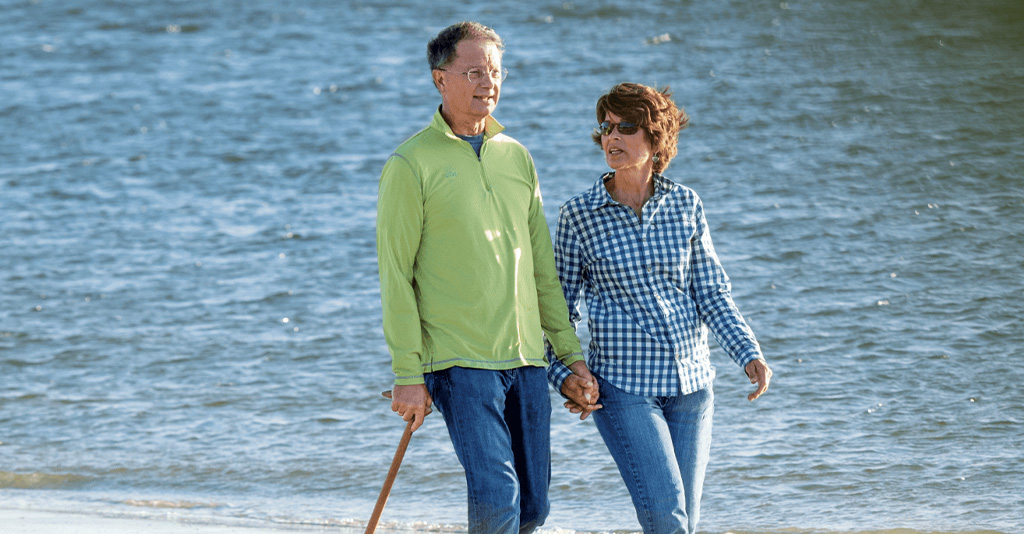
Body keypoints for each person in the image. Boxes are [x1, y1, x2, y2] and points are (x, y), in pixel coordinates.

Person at [376, 21, 599, 534]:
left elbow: (543, 268)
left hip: (525, 358)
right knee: (497, 495)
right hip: (459, 361)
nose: (488, 82)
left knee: (533, 508)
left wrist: (570, 355)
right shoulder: (410, 164)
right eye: (473, 71)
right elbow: (396, 276)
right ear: (440, 79)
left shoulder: (516, 157)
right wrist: (407, 374)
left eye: (495, 71)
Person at [546, 83, 773, 534]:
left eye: (625, 127)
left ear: (655, 137)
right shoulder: (579, 216)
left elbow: (711, 291)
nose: (611, 137)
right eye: (605, 127)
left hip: (693, 386)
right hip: (625, 389)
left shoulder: (686, 204)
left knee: (684, 523)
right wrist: (564, 376)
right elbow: (557, 312)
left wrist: (748, 353)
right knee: (668, 519)